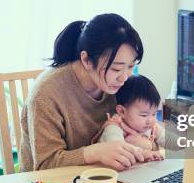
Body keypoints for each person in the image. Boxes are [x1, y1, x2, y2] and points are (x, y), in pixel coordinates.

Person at [20, 13, 146, 172]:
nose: (125, 77)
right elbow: (46, 164)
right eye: (116, 68)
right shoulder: (46, 94)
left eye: (130, 67)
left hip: (102, 177)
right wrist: (96, 152)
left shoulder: (118, 86)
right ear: (86, 60)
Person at [95, 75, 165, 161]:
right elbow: (119, 150)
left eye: (154, 114)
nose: (150, 120)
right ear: (122, 112)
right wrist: (143, 153)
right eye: (144, 115)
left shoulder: (152, 127)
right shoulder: (114, 128)